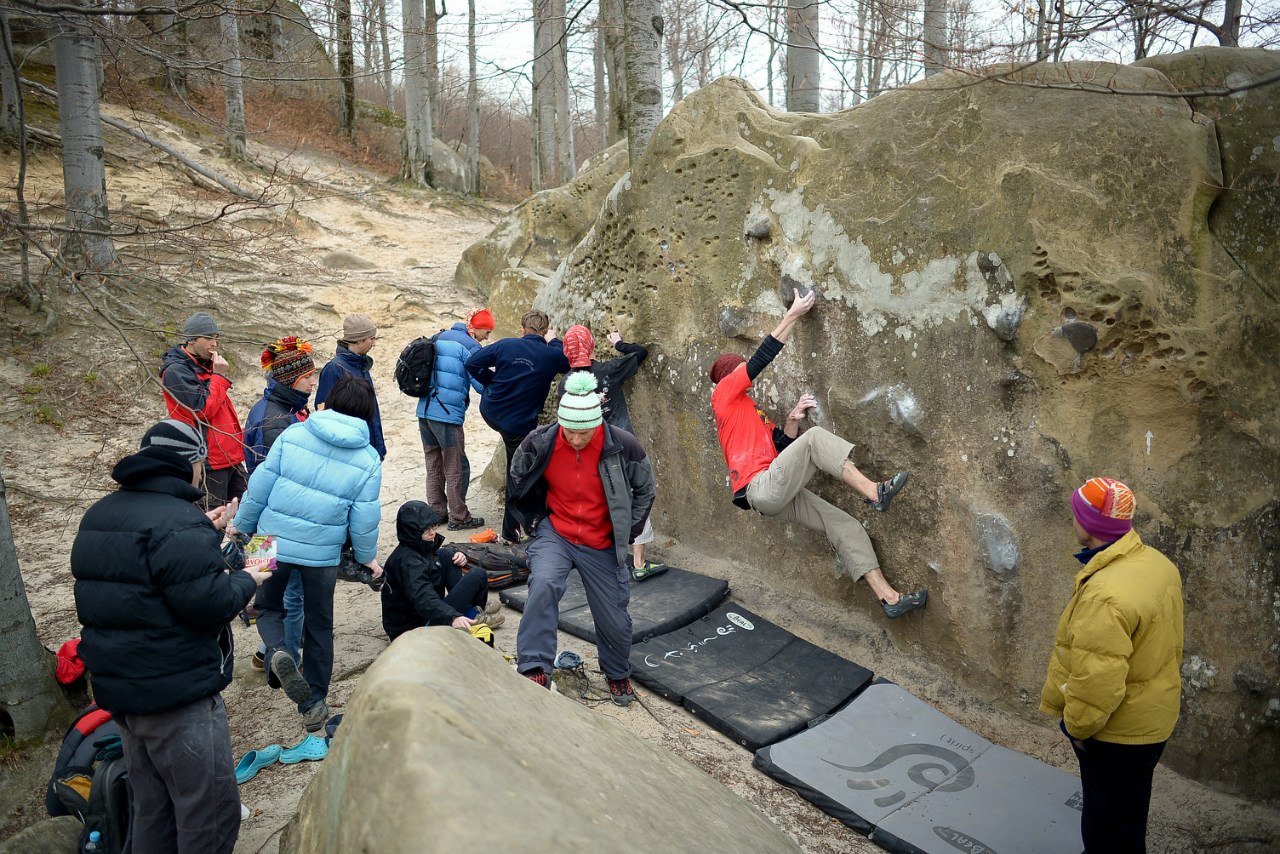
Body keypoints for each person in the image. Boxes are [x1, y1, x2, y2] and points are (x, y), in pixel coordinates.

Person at [71, 420, 270, 854]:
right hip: (175, 694)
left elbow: (146, 581)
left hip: (122, 690)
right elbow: (208, 606)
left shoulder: (100, 513)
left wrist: (204, 533)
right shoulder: (179, 523)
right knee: (209, 814)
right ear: (193, 463)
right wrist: (247, 579)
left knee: (153, 809)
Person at [708, 288, 926, 619]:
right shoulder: (723, 395)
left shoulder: (749, 412)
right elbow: (760, 358)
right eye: (740, 372)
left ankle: (889, 599)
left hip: (772, 492)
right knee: (816, 439)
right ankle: (874, 491)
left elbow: (784, 447)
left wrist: (792, 419)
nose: (747, 378)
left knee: (844, 524)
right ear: (730, 376)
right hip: (760, 488)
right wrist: (793, 314)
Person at [229, 375, 383, 754]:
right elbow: (364, 520)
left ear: (327, 402)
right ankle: (313, 702)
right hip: (322, 551)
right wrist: (366, 559)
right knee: (320, 623)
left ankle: (278, 649)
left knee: (265, 605)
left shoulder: (294, 435)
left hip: (267, 538)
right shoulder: (367, 458)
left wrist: (241, 528)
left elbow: (259, 486)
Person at [1041, 477, 1184, 854]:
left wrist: (1077, 729)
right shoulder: (1157, 564)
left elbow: (1097, 680)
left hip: (1116, 735)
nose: (1072, 519)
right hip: (1153, 718)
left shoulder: (1106, 595)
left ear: (1089, 526)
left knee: (1107, 829)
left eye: (1076, 513)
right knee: (1127, 817)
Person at [509, 372, 656, 705]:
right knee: (544, 582)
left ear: (597, 424)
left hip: (601, 540)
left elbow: (646, 489)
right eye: (570, 432)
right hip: (556, 531)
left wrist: (627, 532)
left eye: (584, 433)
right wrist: (532, 520)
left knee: (614, 616)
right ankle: (534, 666)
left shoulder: (622, 444)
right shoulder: (541, 441)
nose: (576, 440)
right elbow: (517, 476)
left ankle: (617, 673)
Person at [557, 324, 664, 580]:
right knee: (636, 497)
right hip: (620, 447)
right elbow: (640, 352)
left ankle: (598, 558)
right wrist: (618, 343)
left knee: (598, 502)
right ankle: (638, 562)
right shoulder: (608, 371)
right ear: (591, 345)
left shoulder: (565, 385)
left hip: (586, 452)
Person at [242, 336, 319, 672]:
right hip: (275, 522)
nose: (314, 382)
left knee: (268, 592)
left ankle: (265, 651)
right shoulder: (276, 421)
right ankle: (287, 660)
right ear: (291, 380)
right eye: (308, 378)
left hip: (265, 520)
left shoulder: (284, 409)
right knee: (290, 595)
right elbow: (274, 478)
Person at [465, 308, 570, 543]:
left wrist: (492, 382)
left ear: (522, 329)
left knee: (523, 463)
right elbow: (565, 362)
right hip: (518, 422)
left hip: (492, 410)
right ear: (544, 331)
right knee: (517, 472)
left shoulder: (507, 345)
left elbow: (472, 363)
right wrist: (553, 341)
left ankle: (525, 521)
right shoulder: (549, 353)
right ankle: (511, 530)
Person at [380, 500, 503, 642]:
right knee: (477, 575)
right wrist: (452, 616)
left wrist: (459, 557)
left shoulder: (415, 547)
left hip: (419, 614)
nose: (433, 533)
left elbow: (434, 560)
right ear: (413, 533)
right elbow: (424, 599)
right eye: (427, 530)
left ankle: (469, 610)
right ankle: (470, 616)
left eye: (433, 527)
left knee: (446, 555)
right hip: (413, 630)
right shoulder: (409, 563)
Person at [160, 311, 247, 510]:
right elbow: (201, 411)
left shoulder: (204, 366)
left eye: (215, 338)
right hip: (207, 462)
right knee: (212, 524)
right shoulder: (175, 371)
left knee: (251, 514)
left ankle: (256, 544)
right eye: (208, 338)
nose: (214, 344)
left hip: (229, 458)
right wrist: (218, 377)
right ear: (191, 340)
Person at [418, 308, 494, 531]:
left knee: (433, 463)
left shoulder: (438, 336)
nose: (487, 337)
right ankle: (459, 517)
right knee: (455, 465)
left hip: (424, 411)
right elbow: (480, 384)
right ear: (476, 327)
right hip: (447, 415)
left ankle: (436, 512)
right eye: (486, 332)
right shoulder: (470, 346)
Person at [316, 313, 386, 459]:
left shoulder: (361, 365)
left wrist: (378, 447)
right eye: (371, 339)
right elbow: (324, 414)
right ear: (359, 340)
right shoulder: (334, 369)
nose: (374, 343)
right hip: (350, 452)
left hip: (368, 448)